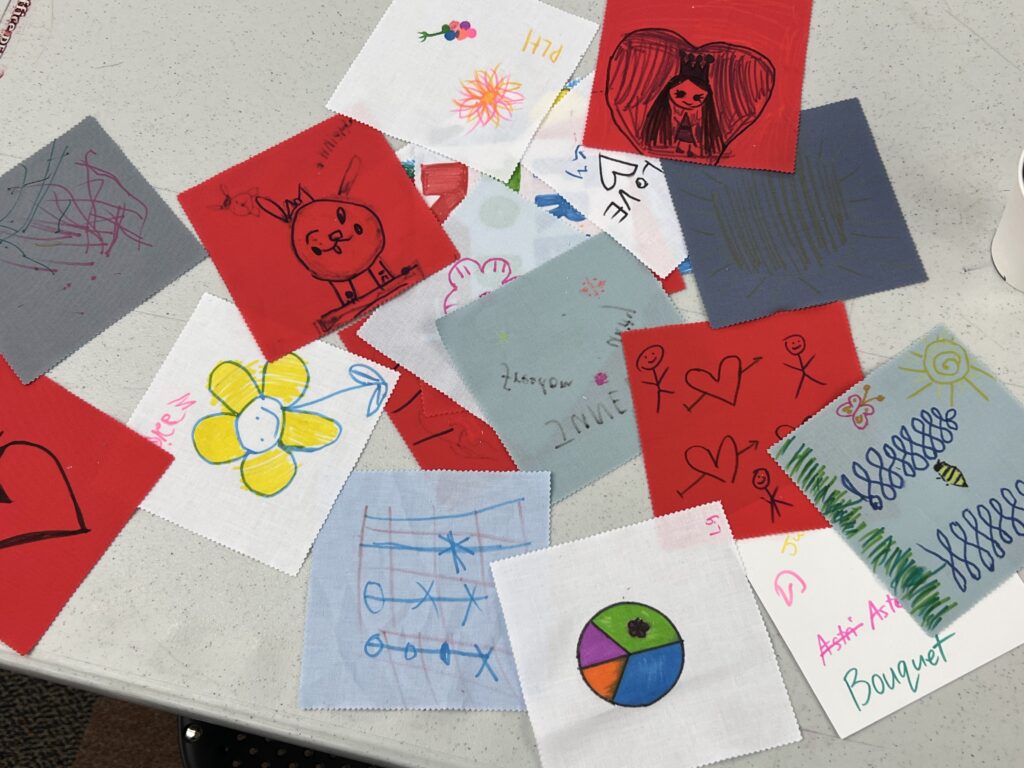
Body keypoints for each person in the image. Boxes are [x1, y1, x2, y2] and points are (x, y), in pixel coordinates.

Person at [641, 52, 723, 160]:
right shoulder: (664, 113)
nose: (688, 101)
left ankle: (688, 149)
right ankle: (681, 148)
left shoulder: (702, 116)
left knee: (687, 140)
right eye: (680, 94)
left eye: (697, 98)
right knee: (683, 140)